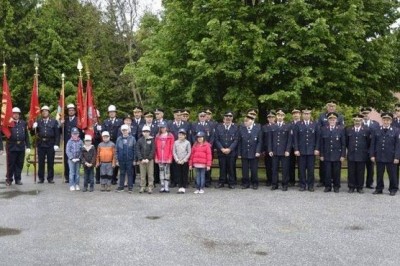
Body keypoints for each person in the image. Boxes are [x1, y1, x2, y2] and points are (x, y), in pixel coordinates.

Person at [370, 112, 400, 196]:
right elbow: (373, 144)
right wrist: (372, 155)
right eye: (384, 120)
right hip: (379, 156)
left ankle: (393, 189)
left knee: (392, 174)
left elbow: (398, 145)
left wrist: (397, 157)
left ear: (390, 121)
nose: (386, 122)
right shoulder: (377, 130)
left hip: (391, 157)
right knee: (379, 174)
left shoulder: (396, 130)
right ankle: (379, 188)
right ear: (382, 120)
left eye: (388, 120)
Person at [317, 100, 345, 187]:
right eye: (330, 106)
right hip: (326, 145)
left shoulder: (340, 116)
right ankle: (323, 181)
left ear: (335, 107)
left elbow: (341, 129)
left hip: (336, 144)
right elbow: (319, 129)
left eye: (333, 106)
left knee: (336, 168)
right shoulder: (322, 116)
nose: (331, 107)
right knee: (324, 167)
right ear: (327, 107)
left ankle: (335, 183)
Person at [31, 105, 60, 184]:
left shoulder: (54, 121)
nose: (44, 112)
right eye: (43, 111)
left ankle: (50, 178)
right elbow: (33, 133)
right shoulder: (38, 121)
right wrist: (33, 128)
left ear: (49, 112)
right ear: (41, 113)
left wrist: (56, 144)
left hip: (51, 144)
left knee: (50, 162)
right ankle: (41, 178)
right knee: (41, 162)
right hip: (41, 144)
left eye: (46, 111)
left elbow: (57, 134)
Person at [293, 108, 319, 192]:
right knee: (301, 169)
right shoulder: (298, 124)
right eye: (305, 114)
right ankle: (302, 185)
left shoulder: (315, 124)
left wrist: (316, 149)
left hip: (311, 151)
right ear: (302, 115)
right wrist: (296, 149)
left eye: (308, 114)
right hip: (301, 151)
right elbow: (295, 138)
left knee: (311, 169)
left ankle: (311, 185)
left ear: (310, 115)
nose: (306, 115)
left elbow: (317, 138)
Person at [5, 107, 31, 186]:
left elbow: (26, 135)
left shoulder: (23, 123)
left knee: (20, 164)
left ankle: (18, 179)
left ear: (19, 115)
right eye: (14, 113)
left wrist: (28, 146)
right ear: (12, 114)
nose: (16, 115)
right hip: (12, 146)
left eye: (17, 114)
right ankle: (9, 179)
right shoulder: (9, 123)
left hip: (21, 147)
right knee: (11, 164)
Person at [346, 114, 371, 194]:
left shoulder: (366, 130)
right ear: (353, 121)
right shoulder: (348, 129)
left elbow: (368, 142)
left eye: (359, 120)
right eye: (356, 120)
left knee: (361, 172)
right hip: (351, 154)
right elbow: (346, 142)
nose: (357, 122)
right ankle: (351, 187)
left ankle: (360, 187)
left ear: (362, 121)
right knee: (351, 171)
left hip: (362, 154)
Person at [268, 109, 292, 191]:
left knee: (285, 169)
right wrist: (270, 150)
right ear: (276, 117)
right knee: (274, 169)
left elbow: (289, 140)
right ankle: (274, 184)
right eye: (278, 115)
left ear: (284, 117)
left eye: (281, 116)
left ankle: (285, 184)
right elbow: (270, 140)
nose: (280, 117)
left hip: (284, 152)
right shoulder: (272, 126)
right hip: (274, 151)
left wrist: (288, 150)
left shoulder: (288, 126)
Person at [214, 111, 238, 189]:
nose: (228, 120)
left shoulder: (236, 128)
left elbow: (236, 140)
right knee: (222, 167)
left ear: (232, 119)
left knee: (231, 167)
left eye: (229, 118)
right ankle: (221, 182)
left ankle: (231, 182)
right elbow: (216, 139)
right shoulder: (218, 127)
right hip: (221, 152)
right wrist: (221, 148)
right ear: (223, 119)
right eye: (226, 118)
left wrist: (230, 149)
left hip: (231, 152)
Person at [238, 114, 262, 189]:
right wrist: (239, 153)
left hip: (254, 152)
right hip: (244, 152)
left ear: (252, 121)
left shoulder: (257, 129)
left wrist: (258, 151)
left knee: (254, 169)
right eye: (244, 121)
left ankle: (255, 183)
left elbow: (259, 142)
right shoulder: (242, 129)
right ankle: (246, 183)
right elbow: (240, 142)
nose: (245, 122)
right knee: (244, 170)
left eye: (247, 121)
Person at [191, 110, 214, 187]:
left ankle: (207, 181)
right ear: (198, 117)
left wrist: (209, 145)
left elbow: (212, 136)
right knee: (198, 166)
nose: (202, 117)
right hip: (197, 148)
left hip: (207, 148)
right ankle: (197, 182)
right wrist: (196, 144)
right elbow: (193, 136)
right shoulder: (194, 125)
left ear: (206, 116)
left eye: (204, 116)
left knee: (207, 165)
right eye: (201, 116)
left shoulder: (210, 125)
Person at [101, 105, 123, 185]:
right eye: (110, 112)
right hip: (107, 143)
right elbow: (103, 131)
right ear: (108, 113)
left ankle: (114, 177)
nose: (112, 114)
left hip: (116, 142)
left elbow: (120, 132)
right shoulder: (105, 121)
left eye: (113, 112)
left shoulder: (120, 121)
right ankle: (108, 177)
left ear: (115, 113)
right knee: (108, 160)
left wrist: (117, 142)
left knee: (115, 159)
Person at [60, 103, 80, 183]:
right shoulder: (65, 120)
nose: (71, 112)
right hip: (67, 143)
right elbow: (60, 131)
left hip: (76, 143)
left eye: (72, 110)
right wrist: (61, 124)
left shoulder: (78, 120)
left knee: (75, 159)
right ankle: (67, 176)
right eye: (69, 110)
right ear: (67, 111)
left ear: (75, 111)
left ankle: (75, 176)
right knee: (67, 159)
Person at [360, 107, 379, 189]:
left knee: (370, 168)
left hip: (371, 149)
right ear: (362, 114)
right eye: (364, 114)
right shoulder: (359, 123)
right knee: (360, 168)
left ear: (369, 114)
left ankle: (369, 183)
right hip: (361, 150)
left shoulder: (375, 124)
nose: (365, 115)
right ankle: (360, 183)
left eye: (367, 113)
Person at [115, 124, 136, 193]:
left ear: (128, 130)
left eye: (126, 130)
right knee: (122, 173)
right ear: (121, 131)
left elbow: (134, 150)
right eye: (123, 130)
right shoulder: (119, 139)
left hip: (129, 159)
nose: (124, 131)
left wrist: (134, 160)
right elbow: (116, 150)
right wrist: (117, 160)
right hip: (121, 159)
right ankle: (121, 187)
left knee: (130, 173)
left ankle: (130, 187)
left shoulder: (132, 138)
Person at [155, 121, 174, 193]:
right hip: (160, 157)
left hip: (167, 157)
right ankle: (162, 186)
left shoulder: (170, 136)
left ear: (166, 128)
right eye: (161, 128)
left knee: (167, 172)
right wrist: (156, 157)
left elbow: (171, 147)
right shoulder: (157, 136)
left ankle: (166, 186)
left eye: (163, 127)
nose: (162, 129)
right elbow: (156, 148)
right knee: (161, 171)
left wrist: (170, 157)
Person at [136, 125, 155, 194]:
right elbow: (137, 150)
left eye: (147, 131)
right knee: (142, 174)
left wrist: (149, 158)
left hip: (150, 160)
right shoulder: (139, 140)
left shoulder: (152, 140)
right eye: (144, 132)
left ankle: (150, 187)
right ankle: (142, 186)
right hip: (142, 161)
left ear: (149, 132)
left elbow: (153, 150)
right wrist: (141, 159)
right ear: (142, 132)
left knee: (150, 174)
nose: (145, 133)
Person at [173, 128, 191, 193]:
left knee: (184, 173)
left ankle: (184, 186)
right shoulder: (175, 142)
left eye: (182, 135)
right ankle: (180, 186)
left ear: (185, 135)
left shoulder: (187, 142)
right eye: (179, 134)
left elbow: (189, 152)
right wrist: (177, 159)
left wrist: (184, 160)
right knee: (179, 174)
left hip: (184, 161)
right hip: (178, 161)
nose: (180, 136)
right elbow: (174, 152)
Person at [262, 110, 276, 186]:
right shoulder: (264, 127)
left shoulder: (277, 126)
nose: (271, 118)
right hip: (267, 150)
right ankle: (269, 180)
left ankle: (275, 180)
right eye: (269, 117)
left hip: (276, 150)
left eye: (272, 117)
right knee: (268, 166)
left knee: (275, 166)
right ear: (267, 118)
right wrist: (263, 150)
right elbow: (262, 139)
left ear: (275, 118)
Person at [289, 108, 301, 186]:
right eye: (294, 114)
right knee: (291, 164)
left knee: (301, 165)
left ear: (300, 114)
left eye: (297, 113)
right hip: (291, 148)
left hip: (300, 147)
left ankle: (301, 181)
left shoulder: (302, 124)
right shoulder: (289, 124)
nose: (295, 115)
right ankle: (291, 181)